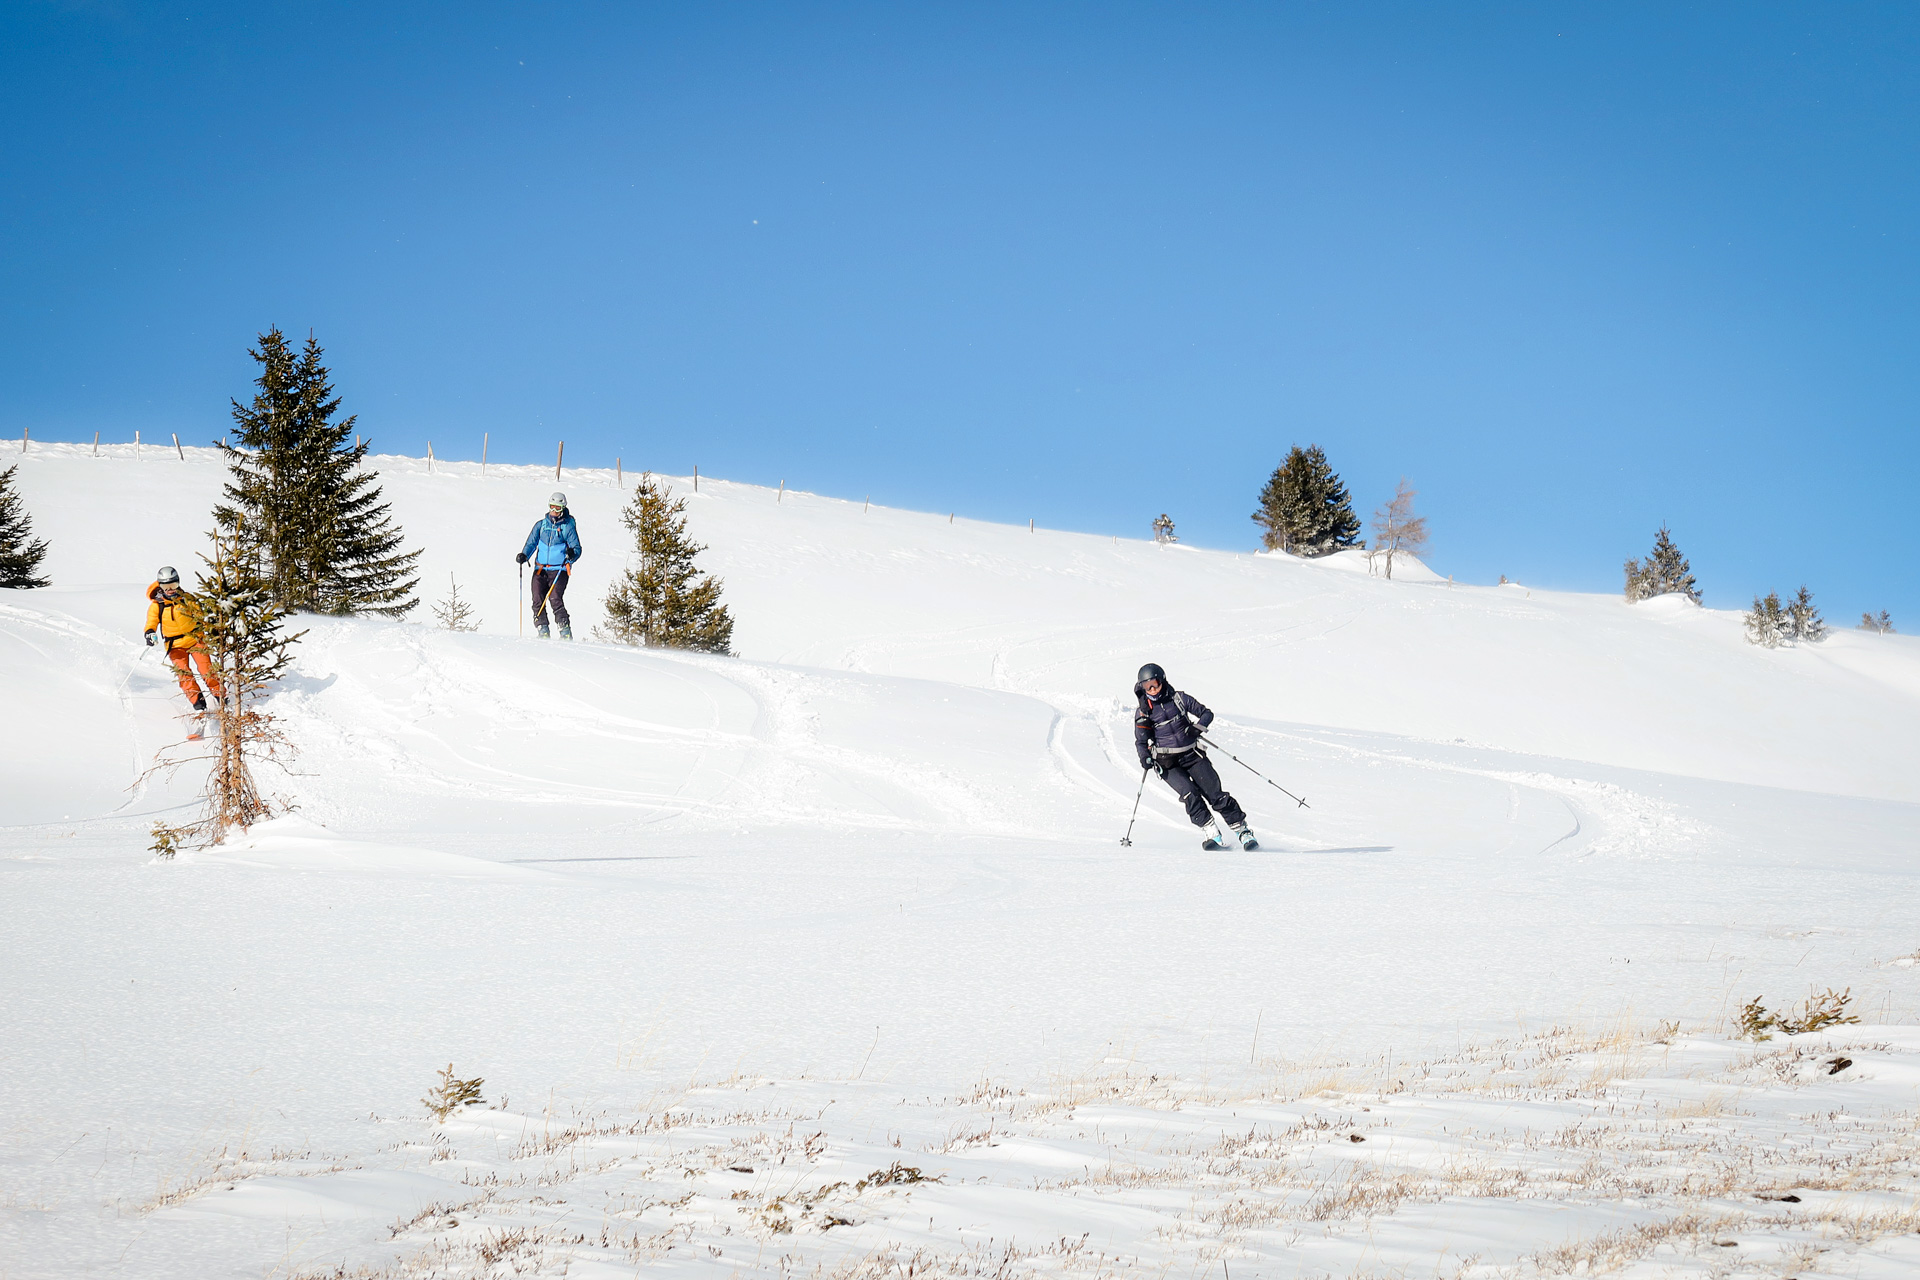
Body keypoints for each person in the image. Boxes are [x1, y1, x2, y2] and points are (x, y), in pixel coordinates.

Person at [1133, 662, 1257, 851]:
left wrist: (1196, 728)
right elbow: (1141, 742)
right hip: (1167, 763)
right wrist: (1145, 758)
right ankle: (1211, 833)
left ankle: (1242, 831)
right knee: (1189, 794)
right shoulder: (1143, 712)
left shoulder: (1179, 699)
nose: (1152, 690)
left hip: (1192, 754)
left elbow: (1206, 713)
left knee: (1215, 793)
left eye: (1155, 684)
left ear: (1163, 681)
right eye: (1146, 686)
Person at [144, 566, 225, 713]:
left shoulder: (187, 599)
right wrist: (150, 632)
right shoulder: (157, 605)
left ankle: (221, 696)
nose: (170, 590)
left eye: (173, 586)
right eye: (166, 587)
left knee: (206, 669)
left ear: (178, 583)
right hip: (175, 645)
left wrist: (212, 629)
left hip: (195, 639)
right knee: (183, 674)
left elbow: (200, 616)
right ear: (160, 587)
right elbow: (151, 622)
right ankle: (198, 704)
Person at [516, 492, 582, 639]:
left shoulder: (567, 527)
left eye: (558, 508)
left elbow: (577, 548)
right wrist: (524, 555)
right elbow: (531, 543)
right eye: (552, 507)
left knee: (554, 598)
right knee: (537, 599)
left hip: (559, 570)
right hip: (540, 569)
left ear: (563, 508)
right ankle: (542, 629)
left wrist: (572, 554)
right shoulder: (541, 525)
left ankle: (565, 631)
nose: (554, 510)